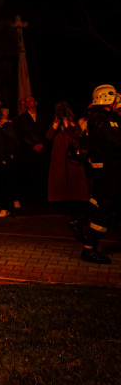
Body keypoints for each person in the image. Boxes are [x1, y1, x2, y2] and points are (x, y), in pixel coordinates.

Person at [80, 85, 121, 264]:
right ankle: (89, 248)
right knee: (105, 209)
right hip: (108, 171)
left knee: (101, 203)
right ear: (107, 100)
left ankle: (79, 221)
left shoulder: (107, 117)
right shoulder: (99, 119)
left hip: (112, 170)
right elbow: (112, 140)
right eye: (114, 101)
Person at [45, 101, 89, 207]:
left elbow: (76, 134)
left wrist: (68, 125)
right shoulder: (54, 123)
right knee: (60, 177)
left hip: (71, 154)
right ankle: (60, 200)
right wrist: (55, 125)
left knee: (74, 176)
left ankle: (76, 199)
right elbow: (48, 136)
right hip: (59, 154)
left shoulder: (73, 122)